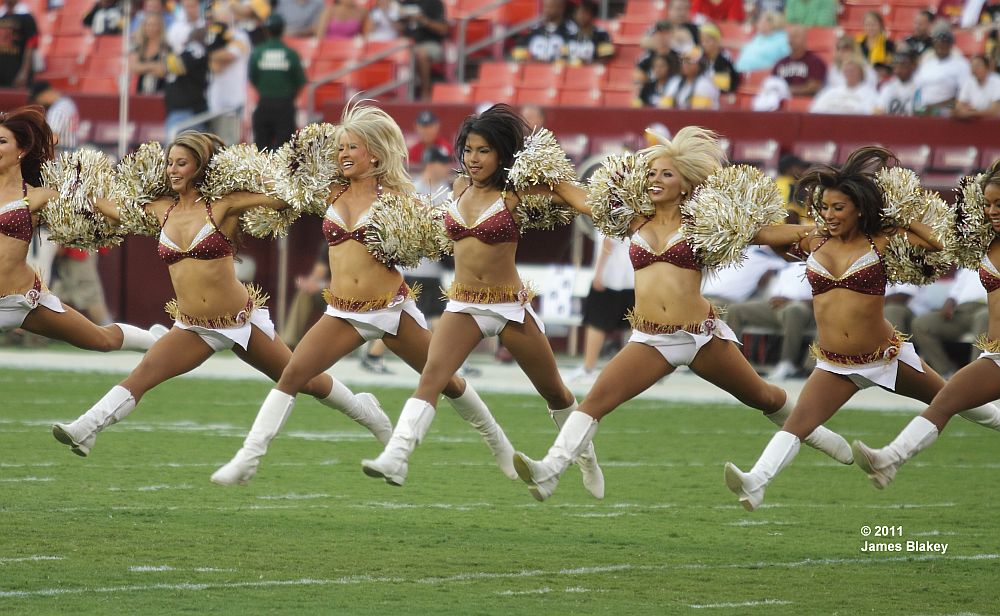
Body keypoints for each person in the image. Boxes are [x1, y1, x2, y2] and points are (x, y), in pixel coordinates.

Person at [512, 128, 854, 502]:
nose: (656, 180)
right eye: (652, 173)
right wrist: (545, 178)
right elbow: (582, 200)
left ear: (686, 184)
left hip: (700, 336)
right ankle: (549, 471)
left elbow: (764, 234)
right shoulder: (633, 221)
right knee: (595, 402)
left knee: (764, 397)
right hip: (652, 340)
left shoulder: (701, 225)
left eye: (666, 174)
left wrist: (816, 230)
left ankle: (819, 435)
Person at [212, 104, 509, 485]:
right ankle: (247, 460)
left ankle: (497, 441)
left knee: (447, 381)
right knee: (292, 375)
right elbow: (278, 197)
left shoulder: (397, 199)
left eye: (352, 147)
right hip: (342, 312)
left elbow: (438, 236)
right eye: (340, 148)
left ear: (375, 153)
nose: (344, 154)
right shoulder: (329, 191)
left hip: (390, 311)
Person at [51, 131, 377, 460]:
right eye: (169, 164)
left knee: (304, 380)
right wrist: (79, 189)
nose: (173, 170)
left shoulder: (221, 206)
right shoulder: (161, 209)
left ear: (199, 167)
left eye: (182, 163)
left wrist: (270, 174)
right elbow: (118, 211)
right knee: (144, 373)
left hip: (240, 322)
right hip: (194, 326)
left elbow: (280, 200)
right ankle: (86, 428)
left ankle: (363, 409)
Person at [723, 146, 1000, 511]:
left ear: (859, 209)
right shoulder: (814, 239)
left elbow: (938, 243)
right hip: (835, 363)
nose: (829, 215)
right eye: (824, 207)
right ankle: (756, 482)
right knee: (797, 424)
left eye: (839, 208)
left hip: (886, 357)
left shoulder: (879, 241)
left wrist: (899, 217)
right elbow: (760, 235)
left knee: (952, 400)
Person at [362, 104, 605, 495]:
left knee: (555, 391)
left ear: (501, 155)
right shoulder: (458, 188)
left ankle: (586, 459)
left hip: (508, 306)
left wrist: (571, 187)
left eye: (484, 151)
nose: (473, 159)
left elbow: (579, 201)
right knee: (432, 378)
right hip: (464, 304)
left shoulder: (514, 193)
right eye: (469, 150)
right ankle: (397, 455)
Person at [851, 161, 1000, 489]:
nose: (992, 211)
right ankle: (889, 460)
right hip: (997, 356)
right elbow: (941, 243)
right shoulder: (987, 242)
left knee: (948, 399)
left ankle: (889, 459)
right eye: (988, 203)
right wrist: (907, 220)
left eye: (999, 204)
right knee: (946, 400)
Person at [0, 107, 159, 355]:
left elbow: (89, 206)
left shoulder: (37, 195)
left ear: (21, 150)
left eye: (2, 141)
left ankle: (160, 342)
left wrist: (131, 209)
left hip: (23, 300)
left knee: (101, 340)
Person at [565, 231, 634, 384]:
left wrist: (598, 273)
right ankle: (632, 370)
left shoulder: (610, 211)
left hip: (610, 278)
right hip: (631, 278)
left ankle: (588, 368)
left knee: (596, 323)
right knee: (632, 325)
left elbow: (607, 243)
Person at [726, 260, 814, 380]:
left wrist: (792, 301)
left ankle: (787, 364)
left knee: (793, 310)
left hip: (803, 308)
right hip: (775, 305)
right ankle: (730, 360)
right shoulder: (786, 262)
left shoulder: (817, 263)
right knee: (735, 310)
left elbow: (822, 297)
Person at [911, 267, 988, 377]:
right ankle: (946, 373)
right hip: (960, 311)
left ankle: (976, 375)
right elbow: (954, 293)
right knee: (921, 323)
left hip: (987, 309)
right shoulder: (968, 268)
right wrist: (949, 302)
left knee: (984, 317)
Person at [249, 14, 306, 151]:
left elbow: (253, 78)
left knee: (261, 153)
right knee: (285, 154)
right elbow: (299, 81)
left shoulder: (257, 53)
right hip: (285, 106)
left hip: (264, 105)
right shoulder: (291, 54)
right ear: (282, 30)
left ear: (266, 30)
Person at [913, 26, 971, 116]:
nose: (941, 46)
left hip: (948, 113)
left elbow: (964, 94)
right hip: (924, 112)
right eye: (938, 43)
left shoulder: (961, 64)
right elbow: (917, 89)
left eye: (945, 43)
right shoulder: (927, 64)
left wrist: (937, 107)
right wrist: (919, 108)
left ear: (950, 45)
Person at [397, 0, 447, 100]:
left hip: (430, 43)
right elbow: (399, 29)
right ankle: (397, 94)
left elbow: (443, 29)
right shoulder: (404, 4)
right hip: (408, 45)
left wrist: (423, 20)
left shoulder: (434, 3)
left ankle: (425, 91)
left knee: (421, 53)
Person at [511, 0, 578, 63]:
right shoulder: (534, 29)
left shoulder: (570, 30)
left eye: (550, 7)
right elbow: (524, 51)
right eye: (545, 7)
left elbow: (573, 56)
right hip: (534, 69)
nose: (546, 10)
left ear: (561, 8)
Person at [772, 24, 827, 97]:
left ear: (804, 39)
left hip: (806, 105)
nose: (791, 40)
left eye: (795, 37)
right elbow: (772, 85)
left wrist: (786, 91)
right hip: (781, 104)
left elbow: (813, 88)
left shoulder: (815, 62)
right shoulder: (780, 63)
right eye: (790, 37)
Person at [809, 57, 879, 114]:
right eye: (847, 70)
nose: (849, 73)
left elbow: (873, 113)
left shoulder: (870, 94)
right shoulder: (830, 92)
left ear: (861, 72)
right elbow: (815, 110)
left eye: (852, 70)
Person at [28, 81, 78, 153]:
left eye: (37, 99)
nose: (39, 102)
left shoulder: (57, 109)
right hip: (71, 152)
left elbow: (52, 139)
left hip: (62, 155)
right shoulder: (68, 102)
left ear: (44, 94)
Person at [130, 11, 169, 95]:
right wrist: (154, 65)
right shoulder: (138, 47)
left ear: (160, 27)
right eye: (148, 25)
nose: (150, 28)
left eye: (154, 25)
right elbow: (133, 68)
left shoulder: (166, 48)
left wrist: (142, 67)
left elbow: (163, 70)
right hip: (139, 94)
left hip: (160, 94)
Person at [0, 0, 38, 88]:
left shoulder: (27, 17)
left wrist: (24, 72)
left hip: (16, 69)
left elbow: (30, 45)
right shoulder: (2, 15)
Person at [566, 0, 614, 65]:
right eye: (578, 12)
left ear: (592, 14)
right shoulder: (569, 35)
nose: (581, 16)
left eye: (584, 12)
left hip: (592, 73)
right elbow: (564, 56)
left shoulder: (603, 34)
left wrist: (586, 64)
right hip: (570, 72)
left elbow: (606, 59)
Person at [875, 47, 920, 116]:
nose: (898, 70)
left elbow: (923, 111)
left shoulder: (920, 86)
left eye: (903, 66)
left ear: (913, 66)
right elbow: (879, 110)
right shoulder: (888, 87)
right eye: (896, 66)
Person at [954, 54, 1000, 119]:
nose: (974, 69)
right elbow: (959, 105)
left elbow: (994, 111)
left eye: (978, 66)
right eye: (972, 66)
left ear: (987, 68)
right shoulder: (968, 82)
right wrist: (963, 110)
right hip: (975, 121)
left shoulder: (997, 82)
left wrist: (970, 113)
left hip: (994, 124)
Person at [699, 22, 739, 93]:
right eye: (702, 41)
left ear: (717, 41)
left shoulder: (724, 59)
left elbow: (722, 88)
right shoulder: (700, 57)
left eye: (707, 41)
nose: (704, 44)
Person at [856, 10, 895, 80]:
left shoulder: (889, 44)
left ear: (881, 26)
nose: (870, 28)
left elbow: (892, 67)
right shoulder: (857, 44)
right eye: (867, 24)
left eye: (874, 24)